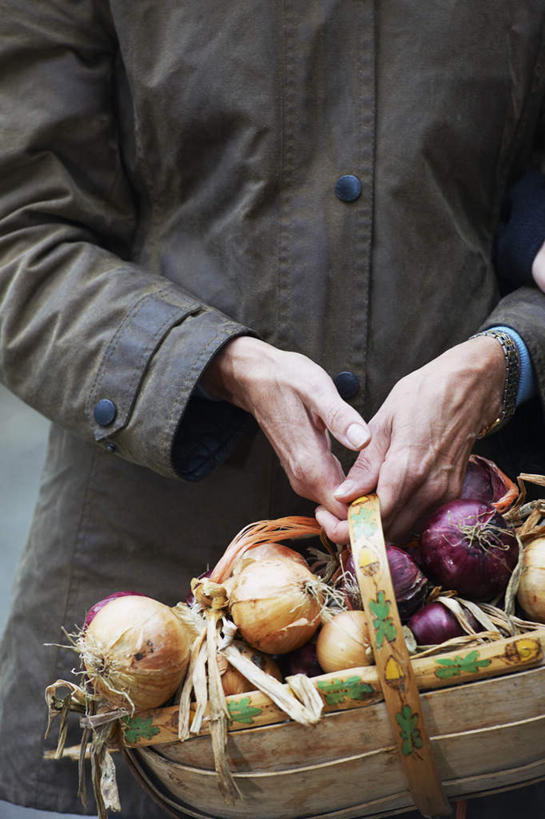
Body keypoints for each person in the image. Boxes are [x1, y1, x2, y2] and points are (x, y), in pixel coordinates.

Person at [1, 3, 545, 818]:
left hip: (470, 639)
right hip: (162, 638)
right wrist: (215, 361)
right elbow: (20, 234)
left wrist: (505, 355)